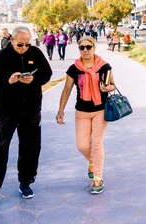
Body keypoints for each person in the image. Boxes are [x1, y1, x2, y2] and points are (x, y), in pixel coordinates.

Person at [0, 26, 52, 210]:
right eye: (20, 44)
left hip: (32, 110)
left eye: (27, 44)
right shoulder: (2, 56)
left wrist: (34, 80)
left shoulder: (35, 53)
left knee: (30, 147)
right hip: (7, 111)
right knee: (0, 149)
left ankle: (25, 182)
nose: (24, 47)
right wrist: (7, 81)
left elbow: (47, 74)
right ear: (12, 40)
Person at [56, 36, 114, 195]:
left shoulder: (104, 66)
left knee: (96, 144)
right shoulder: (74, 69)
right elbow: (66, 90)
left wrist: (106, 89)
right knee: (82, 145)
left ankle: (98, 178)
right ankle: (91, 161)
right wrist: (61, 110)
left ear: (94, 48)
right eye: (82, 48)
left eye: (88, 47)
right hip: (81, 111)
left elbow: (113, 85)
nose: (85, 50)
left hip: (100, 110)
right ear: (79, 49)